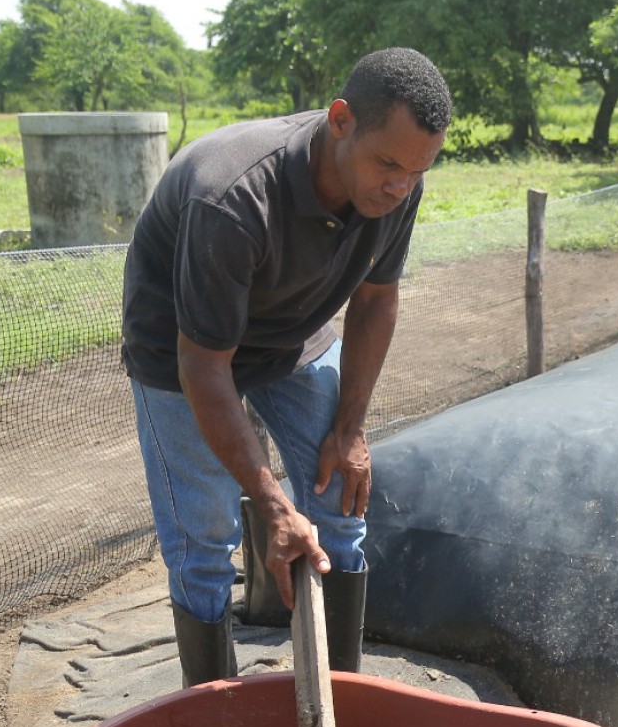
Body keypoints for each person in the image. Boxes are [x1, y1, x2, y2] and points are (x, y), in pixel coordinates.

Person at [120, 47, 451, 687]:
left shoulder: (398, 183)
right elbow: (205, 368)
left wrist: (350, 428)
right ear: (341, 121)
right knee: (205, 539)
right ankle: (216, 719)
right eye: (388, 163)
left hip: (290, 333)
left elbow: (377, 298)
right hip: (181, 349)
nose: (400, 185)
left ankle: (337, 703)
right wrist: (271, 504)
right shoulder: (233, 196)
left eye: (418, 170)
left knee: (341, 501)